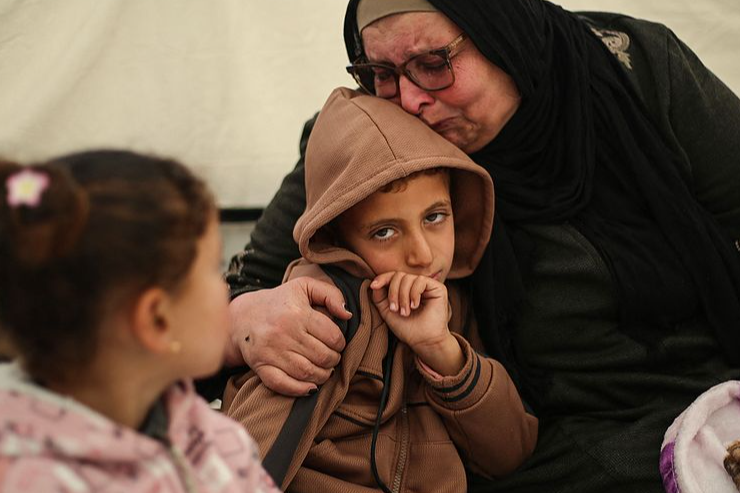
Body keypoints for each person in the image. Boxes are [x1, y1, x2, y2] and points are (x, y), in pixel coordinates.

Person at [221, 0, 740, 490]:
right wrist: (249, 315)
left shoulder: (640, 72)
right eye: (379, 72)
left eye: (434, 63)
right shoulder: (371, 132)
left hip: (716, 391)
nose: (409, 99)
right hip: (522, 440)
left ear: (506, 31)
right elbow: (252, 276)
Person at [222, 87, 538, 492]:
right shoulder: (328, 307)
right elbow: (258, 443)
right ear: (339, 238)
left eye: (436, 217)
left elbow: (508, 454)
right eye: (385, 232)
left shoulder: (452, 305)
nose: (422, 255)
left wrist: (442, 351)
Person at [0, 151, 279, 493]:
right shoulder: (7, 481)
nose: (226, 287)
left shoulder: (208, 436)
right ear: (156, 319)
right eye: (214, 270)